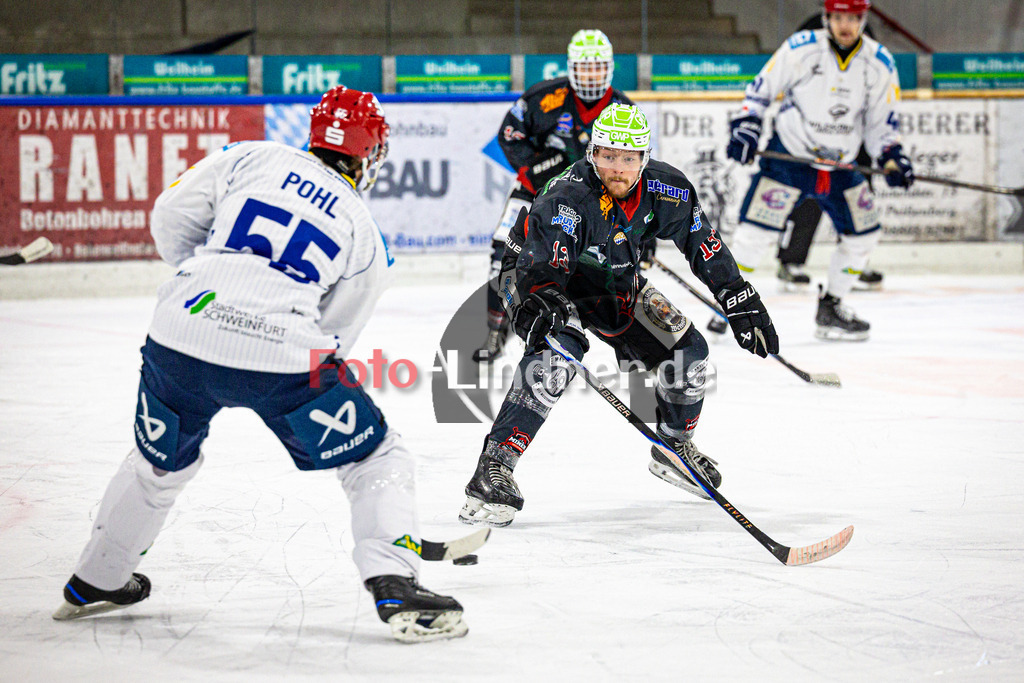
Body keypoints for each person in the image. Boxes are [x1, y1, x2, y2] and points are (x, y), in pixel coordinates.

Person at [52, 86, 467, 643]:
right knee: (375, 457)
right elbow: (334, 333)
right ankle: (394, 581)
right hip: (280, 353)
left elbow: (170, 214)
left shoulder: (249, 155)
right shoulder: (365, 232)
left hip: (179, 328)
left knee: (160, 466)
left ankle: (97, 577)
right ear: (369, 154)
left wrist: (212, 284)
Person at [458, 104, 779, 528]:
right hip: (543, 279)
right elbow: (541, 270)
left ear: (645, 159)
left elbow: (703, 242)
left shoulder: (670, 189)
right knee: (558, 354)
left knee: (690, 353)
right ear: (592, 154)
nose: (617, 168)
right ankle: (493, 467)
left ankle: (674, 449)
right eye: (607, 155)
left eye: (628, 158)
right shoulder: (568, 198)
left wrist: (735, 292)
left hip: (615, 281)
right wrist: (536, 304)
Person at [723, 0, 914, 341]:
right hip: (789, 159)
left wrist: (891, 156)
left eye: (852, 18)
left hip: (840, 165)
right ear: (827, 18)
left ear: (862, 19)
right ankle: (728, 304)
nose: (845, 25)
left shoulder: (879, 61)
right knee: (754, 235)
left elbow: (880, 123)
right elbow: (760, 91)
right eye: (838, 17)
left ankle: (832, 307)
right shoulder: (801, 49)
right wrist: (747, 126)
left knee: (864, 234)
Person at [472, 28, 640, 363]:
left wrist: (636, 230)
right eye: (584, 67)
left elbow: (634, 167)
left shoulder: (623, 108)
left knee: (615, 265)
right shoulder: (543, 97)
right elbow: (510, 136)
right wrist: (533, 168)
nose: (591, 75)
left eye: (597, 67)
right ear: (570, 68)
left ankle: (628, 340)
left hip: (594, 203)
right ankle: (495, 328)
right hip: (535, 192)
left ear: (609, 68)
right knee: (502, 255)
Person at [774, 11, 883, 293]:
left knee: (858, 200)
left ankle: (855, 265)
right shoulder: (810, 29)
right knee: (809, 197)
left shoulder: (865, 29)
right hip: (815, 137)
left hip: (851, 136)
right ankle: (791, 261)